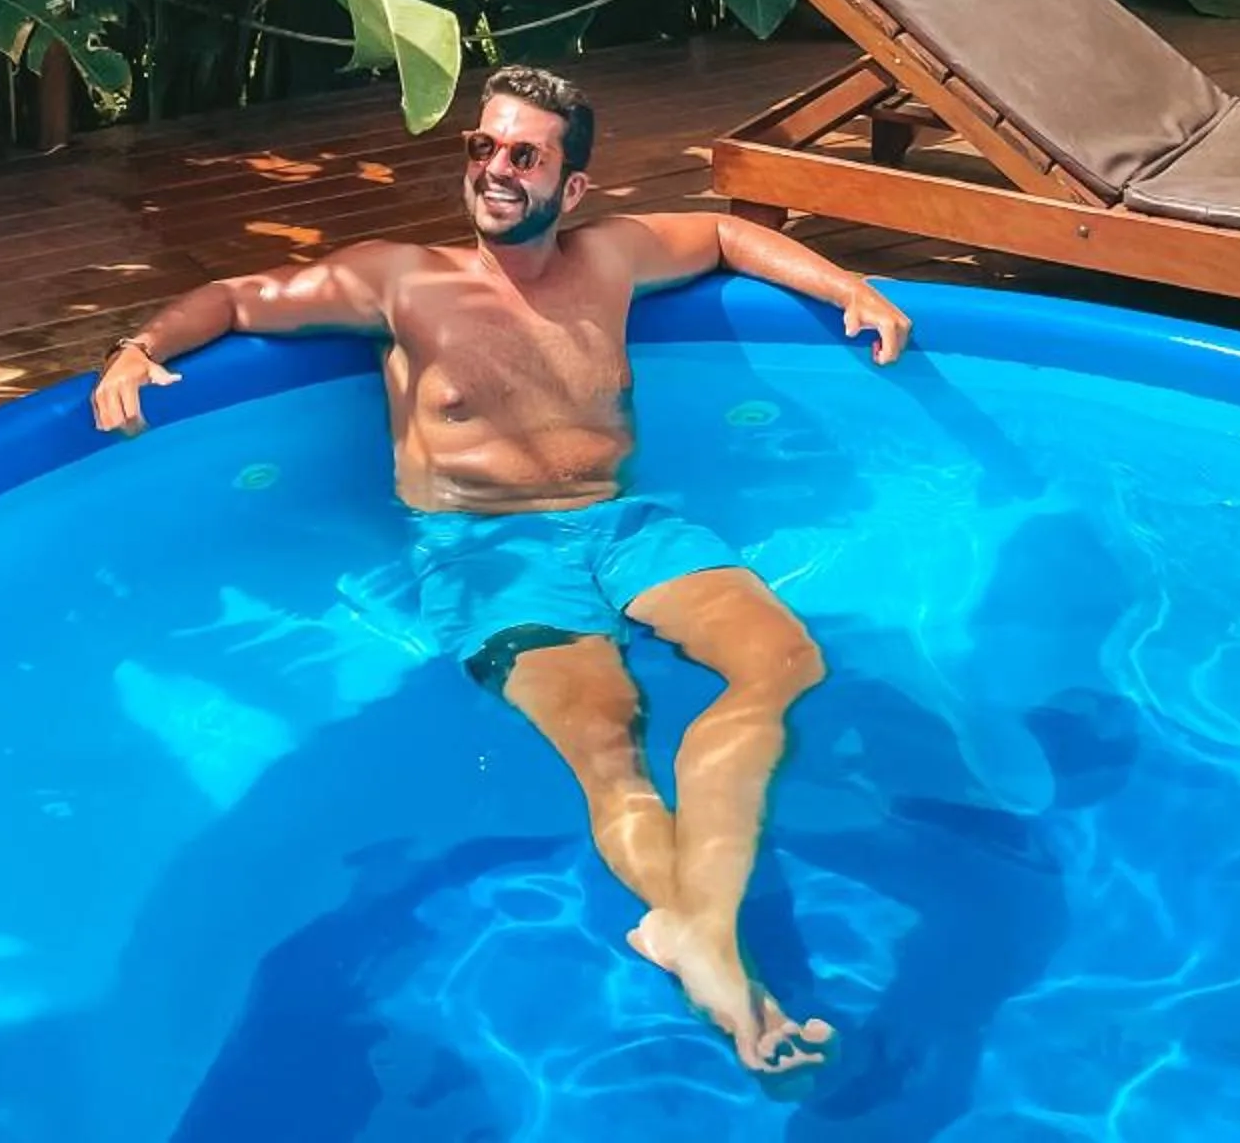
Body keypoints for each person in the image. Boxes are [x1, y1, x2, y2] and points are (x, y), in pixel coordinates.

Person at [91, 59, 911, 1077]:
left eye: (524, 153)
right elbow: (238, 297)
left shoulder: (609, 259)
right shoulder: (403, 280)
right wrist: (138, 349)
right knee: (611, 746)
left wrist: (851, 289)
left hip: (623, 524)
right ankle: (719, 959)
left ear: (573, 189)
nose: (495, 167)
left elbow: (725, 233)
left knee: (784, 662)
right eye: (483, 146)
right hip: (487, 553)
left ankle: (692, 929)